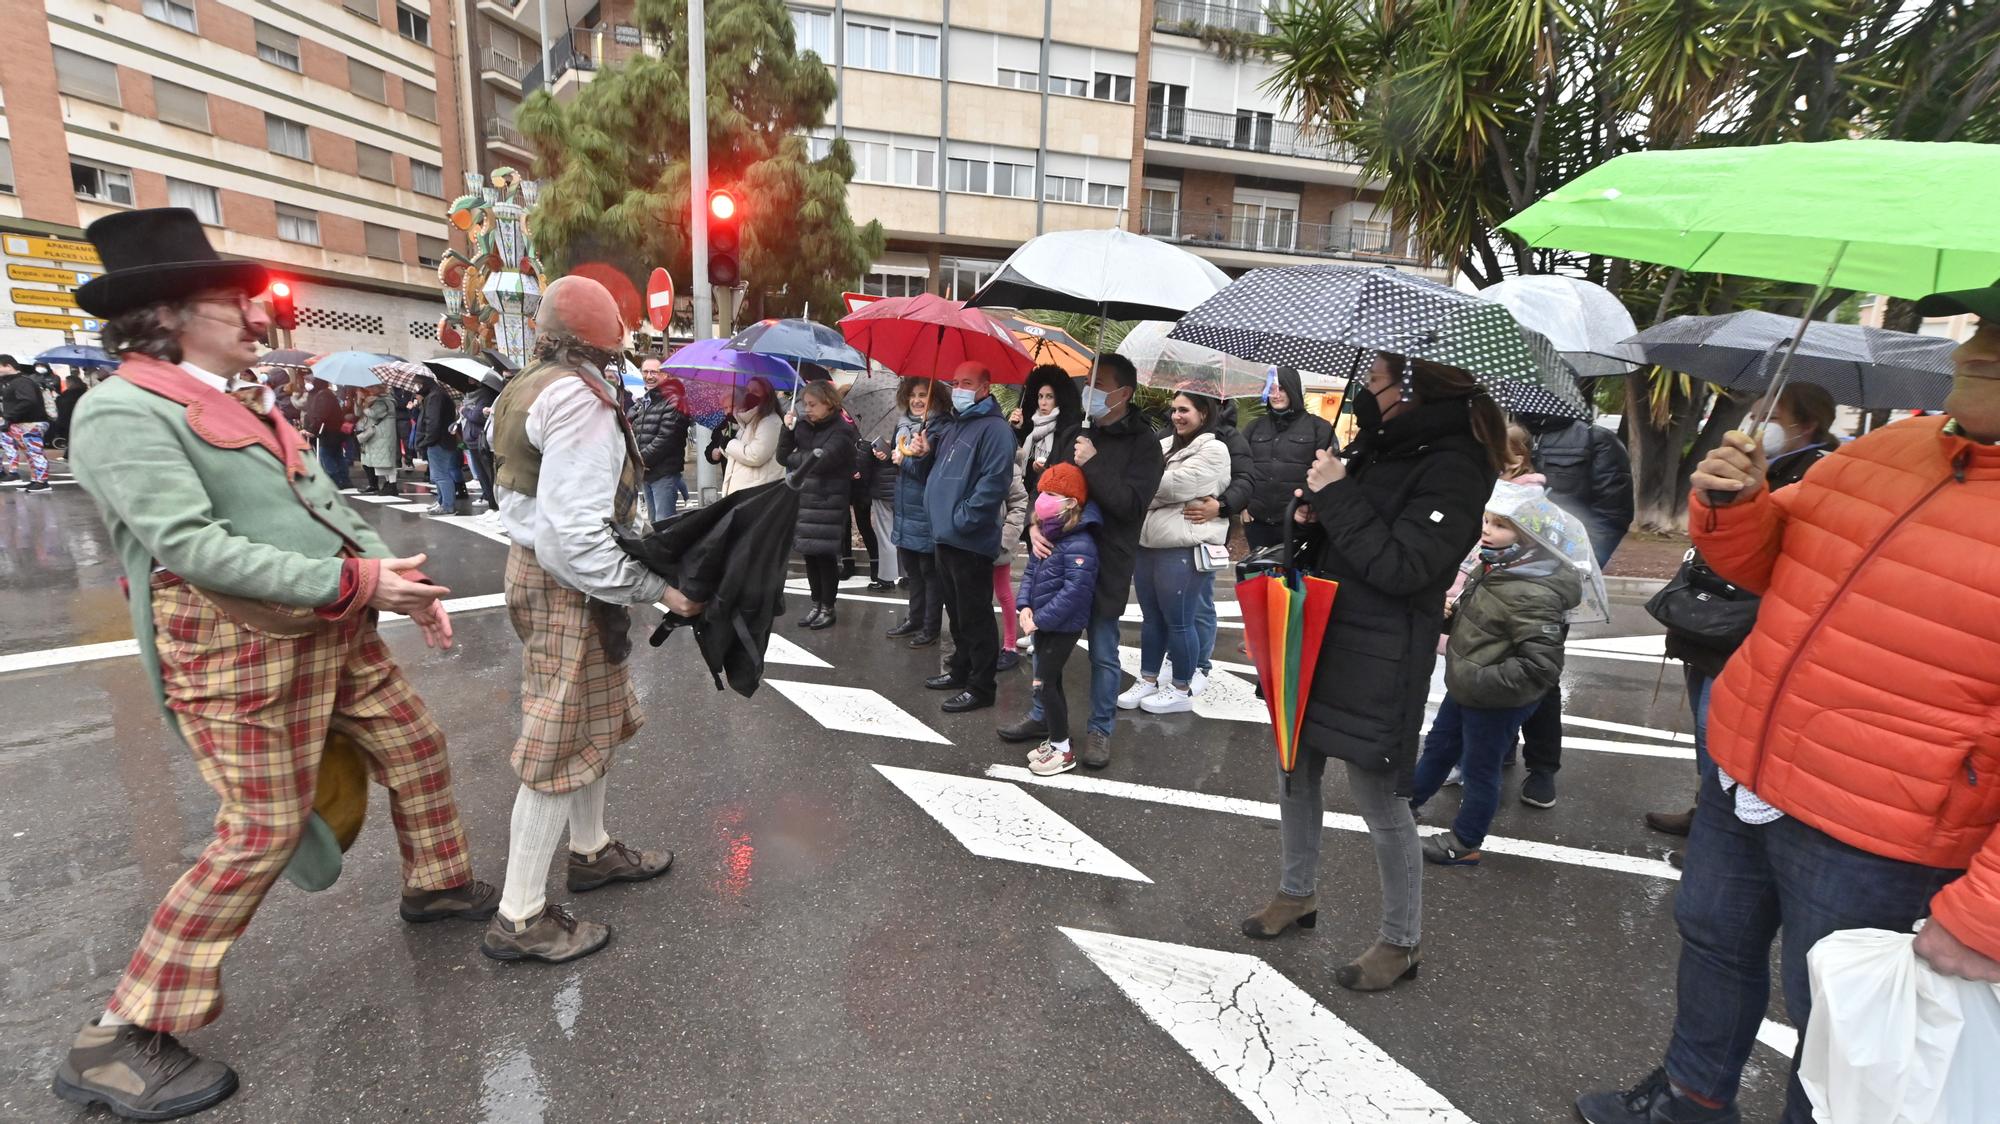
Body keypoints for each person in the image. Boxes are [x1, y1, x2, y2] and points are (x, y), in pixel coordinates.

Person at [53, 208, 494, 1120]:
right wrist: (360, 580)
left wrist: (396, 579)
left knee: (416, 746)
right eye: (234, 303)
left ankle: (438, 884)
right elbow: (193, 547)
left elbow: (326, 508)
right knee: (259, 829)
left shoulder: (244, 400)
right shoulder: (119, 411)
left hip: (332, 626)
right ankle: (122, 1033)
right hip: (234, 650)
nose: (260, 319)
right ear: (167, 313)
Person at [1576, 298, 2000, 1124]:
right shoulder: (1894, 449)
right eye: (1981, 329)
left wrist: (1985, 915)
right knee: (1712, 943)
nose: (1973, 351)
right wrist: (1733, 506)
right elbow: (1771, 563)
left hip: (1888, 828)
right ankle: (1691, 1102)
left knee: (1842, 1022)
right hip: (1750, 772)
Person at [1241, 354, 1505, 995]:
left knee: (1380, 799)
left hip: (1381, 652)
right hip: (1321, 634)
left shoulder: (1455, 467)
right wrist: (1312, 515)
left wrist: (1338, 494)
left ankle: (1401, 940)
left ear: (1412, 385)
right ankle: (1295, 895)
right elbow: (1353, 536)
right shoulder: (1378, 447)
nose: (1368, 388)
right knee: (1293, 769)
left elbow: (1404, 568)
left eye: (1379, 378)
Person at [485, 275, 692, 965]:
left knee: (590, 724)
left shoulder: (528, 383)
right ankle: (520, 916)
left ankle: (591, 851)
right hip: (567, 581)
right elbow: (575, 539)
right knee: (558, 740)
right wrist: (659, 590)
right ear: (605, 339)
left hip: (535, 572)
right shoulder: (582, 400)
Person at [1646, 382, 1835, 852]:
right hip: (1708, 614)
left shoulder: (1822, 472)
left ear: (1806, 422)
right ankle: (1704, 809)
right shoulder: (1753, 464)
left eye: (1771, 413)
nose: (1758, 422)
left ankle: (1718, 832)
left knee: (1722, 727)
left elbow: (1788, 551)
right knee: (1706, 726)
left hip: (1749, 625)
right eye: (1756, 412)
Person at [997, 354, 1165, 767]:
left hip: (1106, 561)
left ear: (1123, 393)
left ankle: (1099, 729)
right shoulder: (1076, 431)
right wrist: (1035, 524)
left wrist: (1095, 462)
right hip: (1058, 556)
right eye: (1088, 380)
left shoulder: (1145, 444)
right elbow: (1047, 486)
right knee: (1045, 643)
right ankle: (1043, 717)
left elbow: (1130, 505)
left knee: (1103, 652)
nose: (1090, 389)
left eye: (1100, 383)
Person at [1410, 483, 1583, 865]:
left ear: (1529, 537)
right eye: (1487, 521)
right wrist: (1454, 618)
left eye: (1500, 525)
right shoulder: (1496, 566)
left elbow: (1541, 665)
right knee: (1441, 745)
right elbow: (1489, 625)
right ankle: (1409, 801)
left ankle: (1466, 841)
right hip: (1469, 683)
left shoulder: (1535, 590)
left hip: (1494, 697)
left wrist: (1483, 682)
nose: (1486, 529)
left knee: (1480, 769)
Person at [1514, 410, 1634, 810]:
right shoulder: (1502, 428)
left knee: (1541, 671)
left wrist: (1574, 565)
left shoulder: (1595, 440)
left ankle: (1542, 767)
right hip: (1496, 569)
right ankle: (1492, 750)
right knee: (1484, 660)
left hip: (1554, 579)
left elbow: (1613, 515)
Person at [910, 362, 1017, 714]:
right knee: (955, 612)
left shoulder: (995, 430)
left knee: (975, 615)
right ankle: (960, 669)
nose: (958, 389)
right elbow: (936, 474)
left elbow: (993, 483)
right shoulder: (957, 426)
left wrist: (963, 519)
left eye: (967, 383)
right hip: (945, 535)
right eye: (955, 382)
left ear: (985, 388)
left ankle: (981, 685)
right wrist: (924, 454)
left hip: (968, 538)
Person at [1118, 392, 1232, 715]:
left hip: (1182, 548)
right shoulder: (1165, 445)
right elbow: (1153, 484)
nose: (1176, 416)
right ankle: (1148, 679)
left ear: (1204, 414)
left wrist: (1140, 489)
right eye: (1174, 410)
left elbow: (1170, 486)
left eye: (1185, 410)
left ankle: (1182, 686)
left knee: (1180, 621)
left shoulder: (1215, 449)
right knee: (1151, 618)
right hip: (1148, 544)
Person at [1015, 462, 1100, 777]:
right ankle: (1056, 738)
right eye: (1042, 492)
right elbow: (1030, 572)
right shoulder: (1050, 532)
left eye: (1052, 493)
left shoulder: (1080, 541)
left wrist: (1039, 620)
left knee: (1045, 683)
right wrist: (1024, 606)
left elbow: (1076, 591)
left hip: (1061, 626)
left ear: (1072, 502)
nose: (1043, 499)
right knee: (1050, 683)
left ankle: (1063, 750)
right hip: (1044, 623)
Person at [1181, 395, 1256, 687]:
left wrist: (1222, 505)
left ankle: (1200, 664)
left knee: (1199, 600)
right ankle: (1176, 660)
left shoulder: (1231, 438)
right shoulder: (1173, 433)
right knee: (1170, 604)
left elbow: (1245, 480)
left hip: (1207, 531)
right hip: (1170, 532)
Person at [780, 380, 860, 630]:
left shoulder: (842, 430)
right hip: (805, 499)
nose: (808, 409)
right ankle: (816, 604)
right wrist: (787, 429)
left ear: (829, 402)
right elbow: (783, 457)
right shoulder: (803, 425)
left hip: (829, 501)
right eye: (805, 404)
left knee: (825, 557)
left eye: (813, 404)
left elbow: (820, 462)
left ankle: (828, 606)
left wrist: (801, 459)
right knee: (809, 555)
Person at [1239, 366, 1336, 550]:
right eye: (1271, 389)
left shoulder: (1320, 428)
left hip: (1298, 525)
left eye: (1281, 389)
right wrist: (1242, 506)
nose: (1276, 395)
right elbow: (1240, 470)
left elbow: (1327, 477)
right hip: (1257, 524)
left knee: (1293, 579)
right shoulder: (1254, 428)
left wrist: (1309, 505)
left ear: (1293, 389)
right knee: (1258, 578)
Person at [887, 378, 944, 646]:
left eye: (924, 395)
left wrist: (905, 461)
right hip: (904, 508)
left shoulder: (939, 428)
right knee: (912, 569)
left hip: (925, 509)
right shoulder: (903, 424)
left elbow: (926, 472)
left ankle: (930, 627)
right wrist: (890, 456)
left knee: (928, 572)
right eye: (912, 395)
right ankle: (914, 618)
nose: (917, 400)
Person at [628, 357, 690, 521]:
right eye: (645, 371)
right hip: (648, 473)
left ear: (666, 375)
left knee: (664, 525)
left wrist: (640, 460)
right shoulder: (645, 400)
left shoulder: (674, 400)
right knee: (654, 523)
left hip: (663, 474)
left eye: (654, 371)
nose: (649, 376)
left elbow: (666, 438)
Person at [1013, 363, 1084, 501]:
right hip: (1019, 493)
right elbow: (1011, 456)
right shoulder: (1028, 423)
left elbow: (1066, 471)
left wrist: (1046, 471)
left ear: (1059, 399)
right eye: (1040, 396)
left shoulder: (1066, 432)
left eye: (1049, 397)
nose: (1043, 402)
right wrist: (1016, 429)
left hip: (1046, 498)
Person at [992, 462, 1030, 672]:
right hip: (972, 540)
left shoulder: (1009, 464)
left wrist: (1004, 539)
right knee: (975, 595)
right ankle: (981, 644)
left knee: (1003, 592)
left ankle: (1009, 645)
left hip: (999, 541)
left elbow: (1018, 503)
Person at [412, 374, 466, 515]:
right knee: (438, 475)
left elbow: (433, 422)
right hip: (441, 440)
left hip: (439, 441)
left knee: (441, 475)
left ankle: (447, 505)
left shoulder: (435, 397)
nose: (416, 388)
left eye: (418, 384)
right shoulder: (436, 395)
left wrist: (426, 441)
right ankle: (442, 501)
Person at [1, 352, 54, 493]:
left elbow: (28, 400)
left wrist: (8, 416)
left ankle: (42, 482)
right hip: (25, 423)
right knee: (31, 454)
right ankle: (37, 480)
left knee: (35, 453)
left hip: (31, 423)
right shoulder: (16, 381)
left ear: (8, 366)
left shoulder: (21, 382)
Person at [720, 376, 783, 495]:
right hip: (743, 491)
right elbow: (734, 456)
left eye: (755, 391)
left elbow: (755, 456)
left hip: (757, 493)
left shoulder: (770, 421)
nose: (750, 395)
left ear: (767, 395)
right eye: (748, 391)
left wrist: (730, 443)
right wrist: (727, 439)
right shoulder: (748, 421)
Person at [863, 428, 901, 591]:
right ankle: (907, 576)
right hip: (902, 489)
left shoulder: (876, 433)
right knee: (903, 534)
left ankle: (886, 578)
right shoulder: (907, 427)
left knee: (886, 535)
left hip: (882, 489)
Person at [302, 378, 353, 489]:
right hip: (335, 430)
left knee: (325, 454)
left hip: (328, 431)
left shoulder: (323, 396)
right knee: (337, 455)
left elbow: (320, 415)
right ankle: (344, 479)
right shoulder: (328, 394)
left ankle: (335, 480)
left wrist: (312, 430)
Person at [47, 371, 89, 450]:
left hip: (69, 416)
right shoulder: (77, 392)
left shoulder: (75, 393)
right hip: (68, 416)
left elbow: (65, 403)